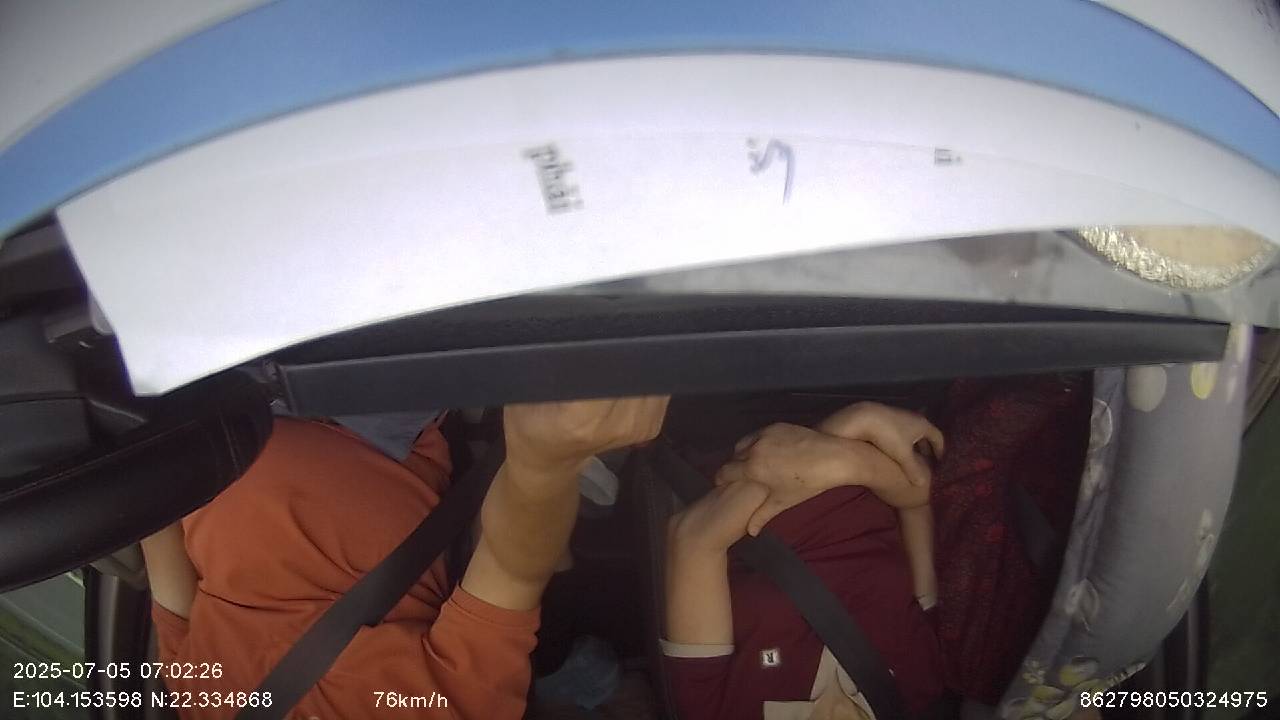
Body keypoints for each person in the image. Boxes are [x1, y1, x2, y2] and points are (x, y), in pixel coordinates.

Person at [139, 396, 670, 719]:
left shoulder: (201, 703)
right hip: (369, 417)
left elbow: (158, 533)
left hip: (216, 418)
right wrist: (545, 462)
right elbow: (510, 573)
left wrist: (143, 428)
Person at [662, 402, 949, 720]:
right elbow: (918, 501)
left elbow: (694, 539)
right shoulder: (922, 687)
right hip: (876, 420)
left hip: (731, 434)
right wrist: (847, 458)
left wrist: (840, 431)